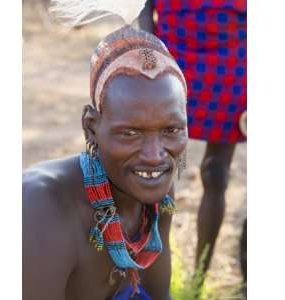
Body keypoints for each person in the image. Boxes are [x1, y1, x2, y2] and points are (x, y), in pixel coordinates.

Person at [23, 26, 188, 300]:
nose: (154, 155)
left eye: (171, 130)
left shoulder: (156, 196)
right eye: (130, 133)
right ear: (91, 128)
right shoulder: (41, 207)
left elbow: (160, 296)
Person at [139, 0, 247, 275]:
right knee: (156, 168)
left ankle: (198, 279)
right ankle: (152, 275)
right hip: (172, 50)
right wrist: (150, 46)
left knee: (216, 173)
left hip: (233, 54)